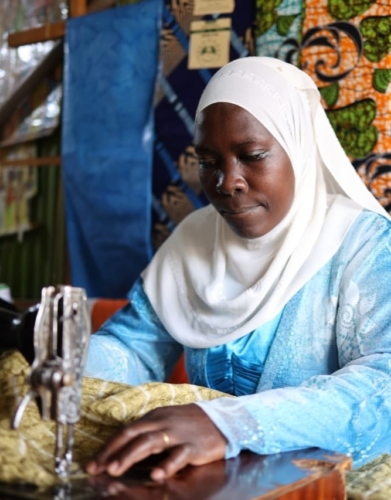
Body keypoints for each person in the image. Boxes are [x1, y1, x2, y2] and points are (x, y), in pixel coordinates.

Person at [84, 56, 391, 481]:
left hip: (336, 480)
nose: (228, 183)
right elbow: (135, 347)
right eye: (208, 162)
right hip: (217, 479)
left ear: (300, 148)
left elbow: (384, 384)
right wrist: (56, 360)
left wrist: (230, 424)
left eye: (252, 155)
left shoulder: (359, 242)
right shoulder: (193, 241)